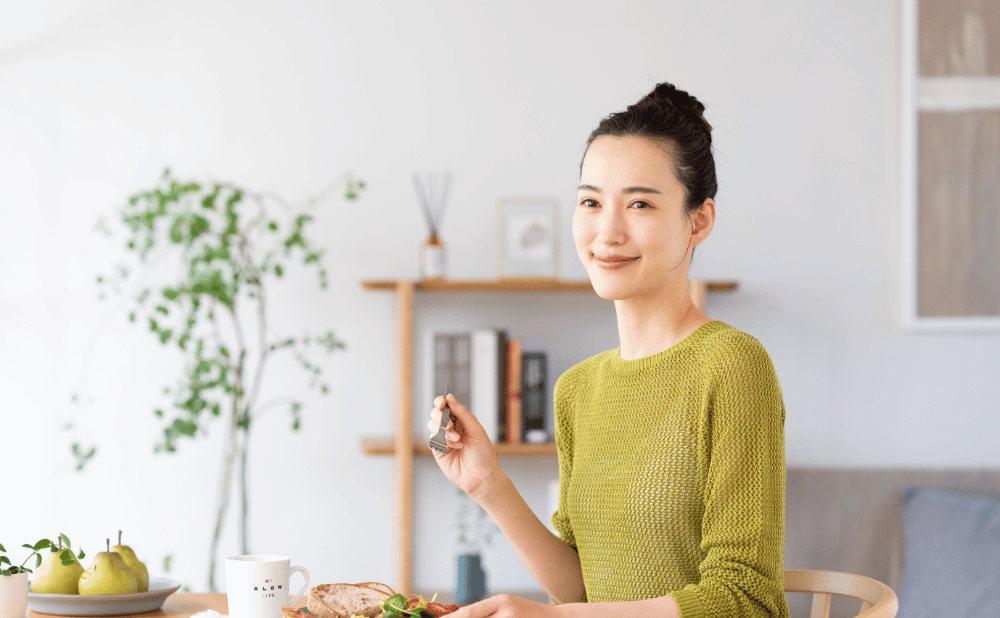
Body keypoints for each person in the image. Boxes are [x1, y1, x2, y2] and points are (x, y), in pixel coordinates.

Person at [427, 82, 789, 618]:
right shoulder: (577, 389)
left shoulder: (732, 366)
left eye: (639, 203)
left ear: (699, 221)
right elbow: (583, 593)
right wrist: (489, 485)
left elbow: (744, 599)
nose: (607, 231)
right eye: (591, 202)